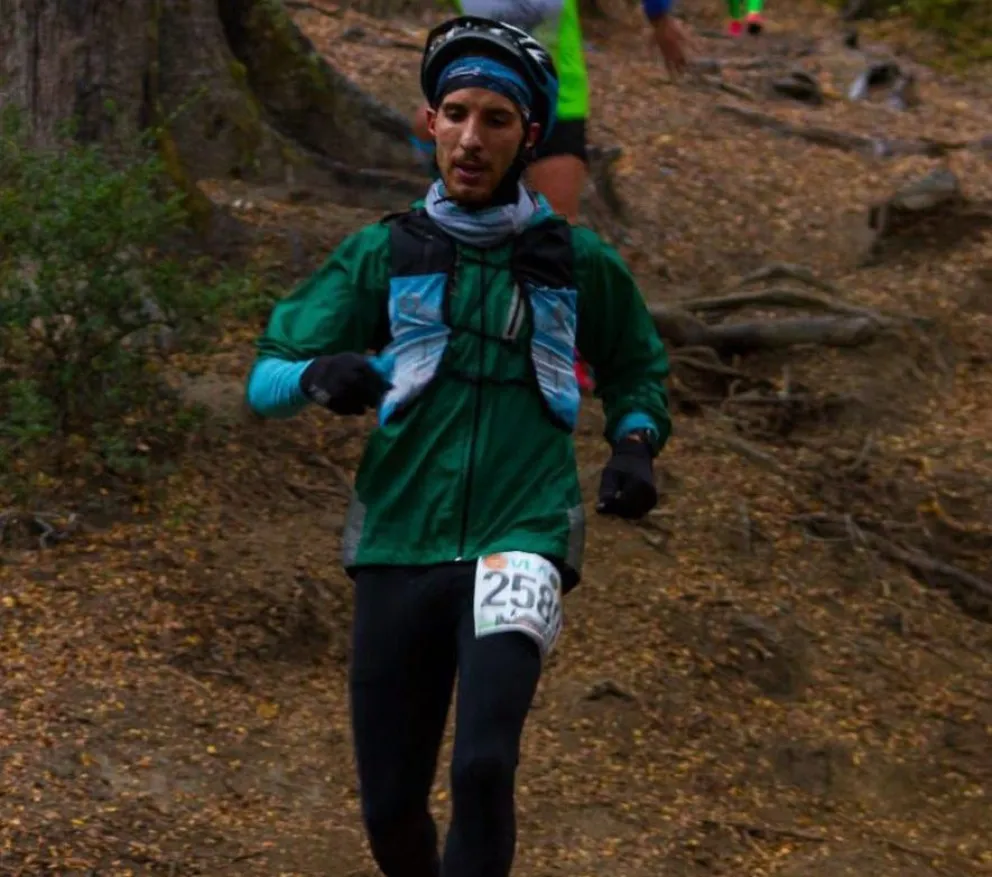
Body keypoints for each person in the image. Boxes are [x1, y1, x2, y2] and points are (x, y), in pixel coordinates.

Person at [246, 17, 671, 877]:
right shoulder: (381, 252)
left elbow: (638, 369)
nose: (472, 139)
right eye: (456, 114)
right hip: (400, 534)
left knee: (482, 765)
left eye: (497, 120)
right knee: (391, 803)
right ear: (429, 123)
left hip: (524, 533)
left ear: (528, 137)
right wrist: (321, 373)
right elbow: (265, 379)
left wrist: (633, 443)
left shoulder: (579, 262)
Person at [409, 0, 689, 393]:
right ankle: (445, 321)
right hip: (477, 101)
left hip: (554, 104)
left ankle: (557, 346)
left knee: (555, 230)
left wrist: (659, 17)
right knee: (458, 208)